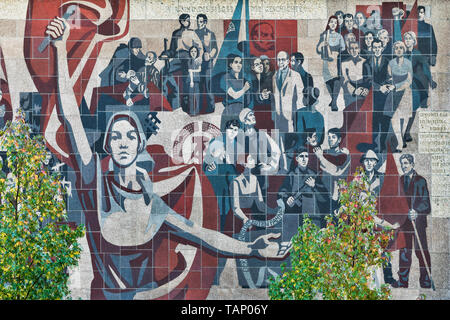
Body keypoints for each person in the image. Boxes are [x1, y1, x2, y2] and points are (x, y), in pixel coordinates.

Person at [47, 16, 290, 300]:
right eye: (115, 136)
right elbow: (70, 116)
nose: (122, 143)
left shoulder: (154, 204)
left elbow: (204, 236)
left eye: (129, 136)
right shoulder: (94, 178)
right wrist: (59, 48)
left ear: (140, 144)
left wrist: (253, 248)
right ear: (108, 145)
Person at [392, 154, 432, 289]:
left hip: (418, 222)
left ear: (412, 164)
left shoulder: (421, 181)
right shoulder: (400, 180)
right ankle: (403, 281)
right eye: (402, 164)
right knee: (404, 252)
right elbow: (397, 202)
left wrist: (416, 211)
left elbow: (427, 204)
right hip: (405, 223)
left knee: (421, 250)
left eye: (406, 163)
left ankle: (426, 281)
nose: (404, 166)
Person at [278, 147, 330, 229]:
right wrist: (287, 199)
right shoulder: (291, 175)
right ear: (297, 159)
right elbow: (282, 191)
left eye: (306, 156)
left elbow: (324, 196)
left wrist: (314, 186)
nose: (304, 159)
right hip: (295, 214)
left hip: (311, 213)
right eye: (301, 156)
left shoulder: (313, 175)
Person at [362, 38, 395, 152]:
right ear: (371, 49)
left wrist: (388, 85)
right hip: (373, 97)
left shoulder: (388, 61)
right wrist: (379, 87)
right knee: (375, 121)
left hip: (386, 96)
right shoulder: (366, 63)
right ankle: (375, 145)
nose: (377, 50)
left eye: (379, 47)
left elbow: (390, 77)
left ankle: (382, 144)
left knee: (385, 120)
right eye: (374, 47)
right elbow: (367, 79)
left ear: (382, 48)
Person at [403, 31, 437, 143]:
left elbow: (425, 68)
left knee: (413, 109)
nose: (407, 40)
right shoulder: (401, 53)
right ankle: (401, 133)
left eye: (409, 38)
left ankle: (407, 132)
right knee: (403, 110)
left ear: (413, 41)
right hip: (402, 85)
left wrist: (431, 80)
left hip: (414, 86)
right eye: (406, 38)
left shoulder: (417, 53)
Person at [313, 128, 351, 214]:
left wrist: (321, 157)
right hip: (322, 194)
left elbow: (336, 171)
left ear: (339, 140)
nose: (330, 139)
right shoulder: (323, 152)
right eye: (329, 137)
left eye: (333, 137)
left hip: (336, 196)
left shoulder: (344, 155)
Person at [386, 41, 413, 153]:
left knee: (405, 117)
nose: (398, 50)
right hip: (393, 93)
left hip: (405, 92)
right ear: (394, 50)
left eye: (401, 48)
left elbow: (409, 80)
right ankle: (399, 141)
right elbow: (389, 77)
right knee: (394, 117)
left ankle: (401, 136)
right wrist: (390, 83)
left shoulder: (408, 63)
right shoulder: (391, 63)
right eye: (396, 48)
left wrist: (396, 86)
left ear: (404, 50)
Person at [238, 108, 281, 176]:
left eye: (253, 114)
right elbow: (240, 159)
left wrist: (270, 165)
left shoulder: (262, 134)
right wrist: (247, 164)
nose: (254, 116)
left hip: (264, 171)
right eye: (250, 115)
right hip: (249, 173)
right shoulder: (241, 138)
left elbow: (276, 150)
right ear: (245, 121)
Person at [316, 16, 345, 111]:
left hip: (336, 60)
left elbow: (343, 48)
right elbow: (317, 50)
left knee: (337, 79)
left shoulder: (339, 36)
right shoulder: (324, 35)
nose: (333, 24)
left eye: (335, 22)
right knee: (328, 79)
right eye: (331, 22)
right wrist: (322, 45)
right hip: (326, 61)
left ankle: (334, 103)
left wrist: (335, 51)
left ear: (337, 25)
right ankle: (333, 99)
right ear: (328, 23)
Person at [272, 51, 303, 134]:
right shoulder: (274, 76)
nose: (280, 62)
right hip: (278, 115)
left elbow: (300, 96)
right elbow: (274, 97)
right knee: (279, 140)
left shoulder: (295, 75)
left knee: (290, 137)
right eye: (278, 60)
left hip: (290, 115)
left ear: (288, 61)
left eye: (283, 59)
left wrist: (298, 115)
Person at [219, 54, 252, 131]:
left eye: (240, 63)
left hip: (243, 112)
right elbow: (234, 95)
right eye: (236, 62)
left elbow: (248, 100)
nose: (239, 65)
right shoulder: (226, 78)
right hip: (230, 111)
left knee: (242, 139)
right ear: (231, 64)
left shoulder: (244, 80)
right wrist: (244, 89)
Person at [195, 14, 218, 113]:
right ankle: (199, 108)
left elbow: (215, 48)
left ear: (205, 22)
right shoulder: (194, 33)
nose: (198, 23)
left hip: (208, 65)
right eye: (197, 21)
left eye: (200, 21)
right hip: (197, 65)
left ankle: (211, 108)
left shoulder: (210, 33)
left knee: (209, 86)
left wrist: (210, 55)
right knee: (198, 87)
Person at [341, 41, 368, 107]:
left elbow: (368, 78)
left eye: (356, 48)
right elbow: (345, 79)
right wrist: (354, 91)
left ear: (359, 49)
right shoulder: (344, 63)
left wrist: (365, 89)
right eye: (351, 48)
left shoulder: (365, 61)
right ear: (348, 50)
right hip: (350, 89)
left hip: (363, 87)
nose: (354, 50)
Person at [186, 45, 202, 115]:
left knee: (197, 96)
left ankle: (197, 111)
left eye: (195, 51)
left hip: (197, 80)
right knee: (191, 97)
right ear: (190, 52)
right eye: (192, 51)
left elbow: (199, 69)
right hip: (191, 81)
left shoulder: (198, 60)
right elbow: (190, 71)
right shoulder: (189, 61)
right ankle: (192, 112)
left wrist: (193, 70)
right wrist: (191, 81)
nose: (193, 53)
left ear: (197, 52)